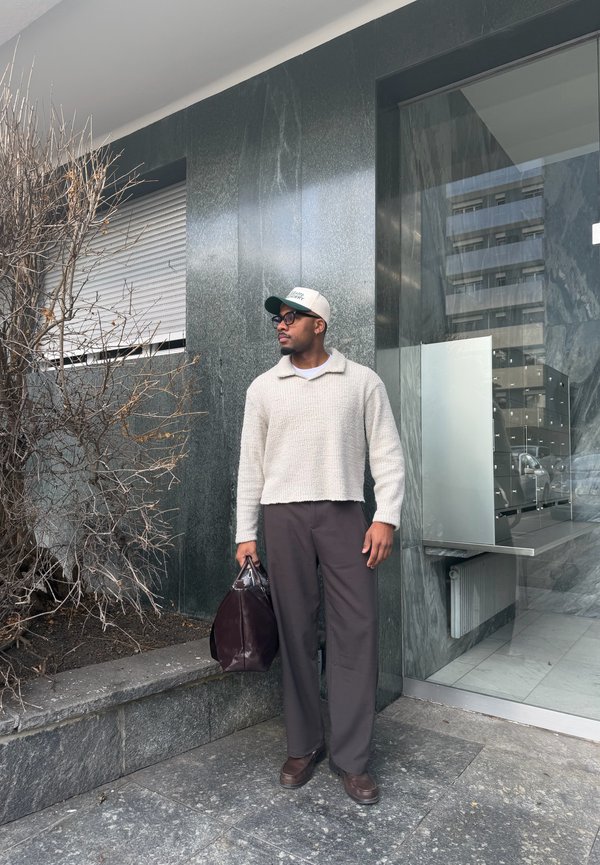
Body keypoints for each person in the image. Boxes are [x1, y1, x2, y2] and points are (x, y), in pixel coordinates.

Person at [235, 287, 404, 805]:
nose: (281, 326)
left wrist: (386, 518)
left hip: (343, 514)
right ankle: (303, 744)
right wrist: (245, 533)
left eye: (291, 318)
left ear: (320, 324)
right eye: (278, 320)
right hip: (282, 517)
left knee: (357, 630)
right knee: (296, 630)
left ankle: (353, 759)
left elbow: (389, 455)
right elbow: (251, 466)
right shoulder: (263, 388)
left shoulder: (361, 382)